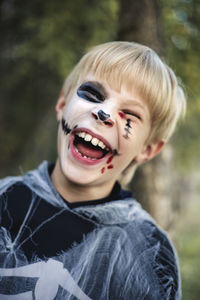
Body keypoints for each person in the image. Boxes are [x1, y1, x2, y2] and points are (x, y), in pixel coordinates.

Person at [0, 41, 186, 300]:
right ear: (62, 104)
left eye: (129, 115)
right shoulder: (4, 197)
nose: (103, 113)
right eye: (92, 94)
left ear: (147, 149)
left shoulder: (151, 254)